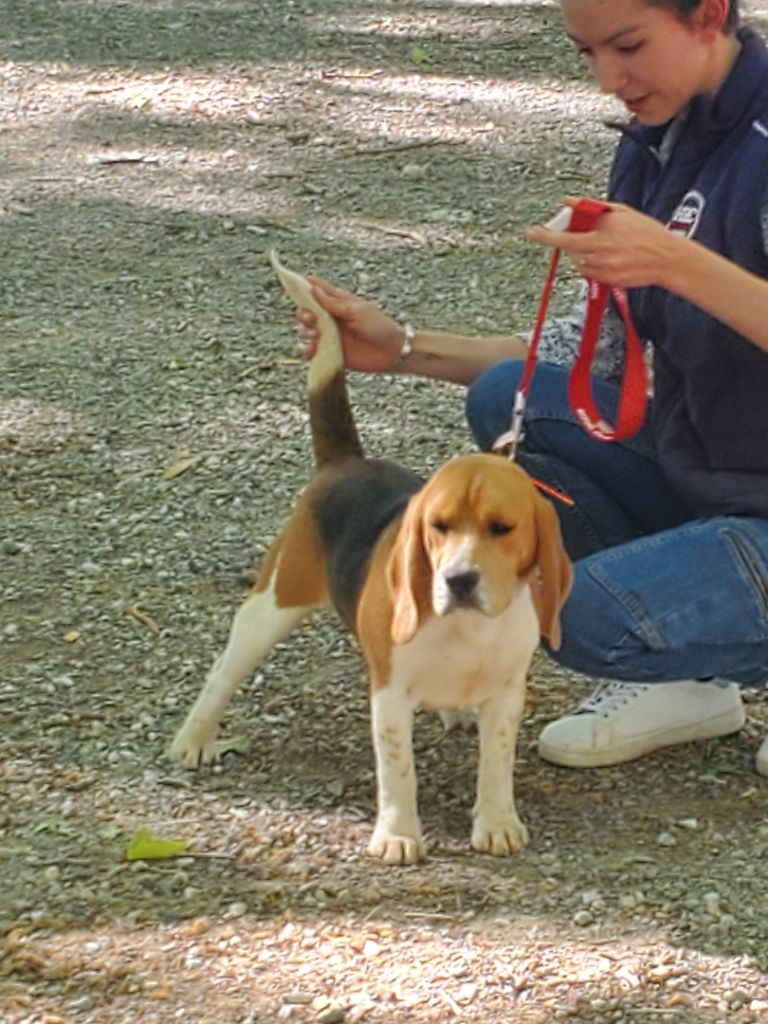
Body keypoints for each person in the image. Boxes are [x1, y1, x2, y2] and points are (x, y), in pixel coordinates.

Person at [294, 0, 768, 777]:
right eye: (586, 53)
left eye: (628, 45)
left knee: (557, 609)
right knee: (507, 396)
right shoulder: (659, 143)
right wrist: (403, 349)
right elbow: (588, 361)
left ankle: (703, 635)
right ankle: (695, 678)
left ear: (710, 13)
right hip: (721, 473)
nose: (610, 79)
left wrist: (681, 265)